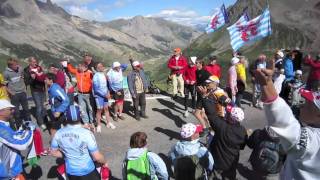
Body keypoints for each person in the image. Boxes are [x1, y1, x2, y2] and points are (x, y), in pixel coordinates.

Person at [254, 57, 320, 179]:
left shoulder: (313, 141)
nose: (302, 104)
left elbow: (288, 127)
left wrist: (267, 84)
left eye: (308, 104)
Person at [50, 105, 109, 180]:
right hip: (88, 171)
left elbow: (53, 152)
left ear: (66, 117)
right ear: (80, 116)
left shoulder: (58, 133)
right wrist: (105, 162)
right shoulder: (87, 133)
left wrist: (67, 155)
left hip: (71, 172)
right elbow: (97, 157)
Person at [208, 106, 247, 180]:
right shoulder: (242, 130)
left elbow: (211, 115)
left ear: (231, 118)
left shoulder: (222, 126)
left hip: (218, 162)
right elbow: (242, 146)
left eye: (229, 114)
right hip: (232, 163)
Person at [0, 99, 33, 179]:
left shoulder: (3, 125)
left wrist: (22, 130)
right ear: (1, 112)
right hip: (8, 173)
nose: (13, 110)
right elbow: (21, 144)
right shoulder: (1, 129)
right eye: (10, 109)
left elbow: (12, 136)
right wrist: (30, 130)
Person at [3, 58, 31, 129]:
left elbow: (22, 77)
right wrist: (11, 93)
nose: (17, 66)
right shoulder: (6, 73)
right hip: (14, 94)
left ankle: (29, 124)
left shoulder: (20, 69)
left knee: (26, 110)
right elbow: (4, 85)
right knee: (16, 112)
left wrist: (24, 88)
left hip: (22, 92)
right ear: (10, 66)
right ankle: (19, 127)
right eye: (15, 65)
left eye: (17, 64)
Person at [66, 63, 94, 128]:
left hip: (88, 94)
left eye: (79, 66)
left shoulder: (89, 73)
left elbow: (95, 80)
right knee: (82, 108)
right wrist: (68, 63)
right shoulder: (77, 71)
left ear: (84, 67)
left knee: (90, 108)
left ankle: (92, 122)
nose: (77, 68)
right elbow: (71, 70)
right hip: (80, 94)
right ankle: (86, 122)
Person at [24, 57, 47, 130]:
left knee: (43, 106)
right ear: (29, 62)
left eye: (36, 62)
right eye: (33, 62)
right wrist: (32, 78)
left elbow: (43, 77)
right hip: (35, 91)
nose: (35, 63)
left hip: (42, 89)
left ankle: (43, 119)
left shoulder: (39, 67)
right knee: (39, 107)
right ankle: (40, 123)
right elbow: (26, 82)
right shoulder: (27, 70)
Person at [93, 62, 115, 132]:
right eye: (99, 67)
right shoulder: (95, 76)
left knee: (106, 108)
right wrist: (104, 95)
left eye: (102, 66)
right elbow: (96, 89)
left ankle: (108, 123)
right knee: (99, 110)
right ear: (97, 68)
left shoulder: (104, 74)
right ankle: (98, 125)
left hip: (105, 94)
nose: (101, 67)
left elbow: (106, 85)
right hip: (98, 96)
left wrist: (108, 92)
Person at [194, 59, 211, 134]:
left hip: (203, 94)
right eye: (195, 63)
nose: (195, 64)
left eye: (196, 63)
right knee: (202, 113)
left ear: (201, 64)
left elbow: (212, 81)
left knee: (196, 113)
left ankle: (204, 128)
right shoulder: (197, 71)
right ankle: (210, 126)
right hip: (199, 94)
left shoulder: (205, 72)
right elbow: (198, 82)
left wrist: (208, 91)